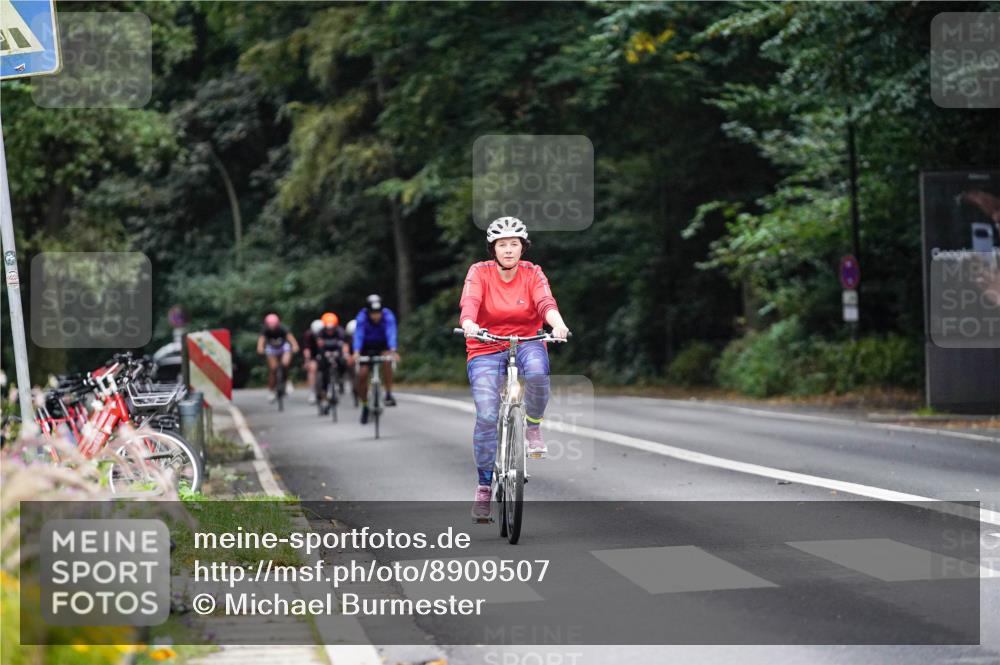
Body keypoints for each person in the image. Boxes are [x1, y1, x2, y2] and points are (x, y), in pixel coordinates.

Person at [458, 217, 570, 520]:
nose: (508, 250)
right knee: (486, 416)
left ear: (523, 247)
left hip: (528, 340)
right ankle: (483, 489)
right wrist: (469, 323)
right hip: (485, 345)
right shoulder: (479, 272)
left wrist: (557, 324)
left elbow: (546, 302)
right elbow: (470, 301)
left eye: (514, 244)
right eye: (502, 244)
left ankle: (532, 426)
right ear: (493, 248)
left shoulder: (533, 272)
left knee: (536, 374)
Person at [351, 294, 399, 424]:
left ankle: (388, 393)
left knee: (387, 360)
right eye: (373, 313)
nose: (376, 316)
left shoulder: (388, 315)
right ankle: (365, 405)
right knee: (362, 375)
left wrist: (393, 349)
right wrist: (356, 351)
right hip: (366, 348)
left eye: (378, 312)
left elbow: (391, 332)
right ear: (368, 311)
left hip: (383, 346)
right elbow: (359, 334)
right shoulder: (361, 317)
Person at [256, 313, 300, 402]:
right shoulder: (265, 330)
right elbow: (261, 340)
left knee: (285, 364)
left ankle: (286, 381)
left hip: (283, 347)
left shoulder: (282, 329)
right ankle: (272, 391)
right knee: (273, 368)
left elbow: (291, 338)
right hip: (272, 348)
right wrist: (260, 348)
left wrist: (295, 346)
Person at [314, 312, 350, 411]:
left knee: (343, 362)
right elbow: (319, 346)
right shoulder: (320, 332)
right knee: (323, 371)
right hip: (324, 353)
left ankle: (341, 379)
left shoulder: (340, 331)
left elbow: (344, 345)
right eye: (328, 329)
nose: (330, 331)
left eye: (331, 328)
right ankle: (324, 392)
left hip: (337, 352)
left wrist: (344, 354)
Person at [302, 319, 323, 404]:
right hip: (314, 355)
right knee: (312, 369)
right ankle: (312, 391)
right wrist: (307, 360)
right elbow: (307, 349)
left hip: (326, 354)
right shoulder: (309, 335)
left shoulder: (328, 332)